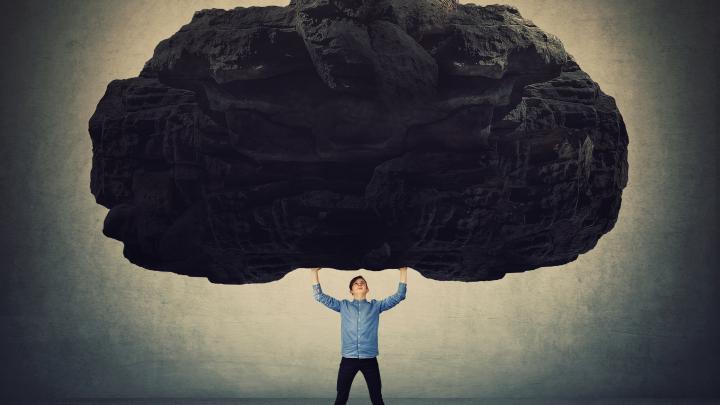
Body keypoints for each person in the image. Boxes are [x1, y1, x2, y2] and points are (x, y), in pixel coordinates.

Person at [311, 266, 408, 405]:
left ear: (367, 289)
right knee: (341, 397)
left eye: (363, 282)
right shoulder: (343, 306)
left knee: (376, 397)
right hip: (348, 359)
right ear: (351, 291)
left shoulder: (376, 306)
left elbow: (400, 295)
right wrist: (314, 272)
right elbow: (319, 296)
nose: (359, 284)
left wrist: (403, 271)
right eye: (356, 283)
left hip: (370, 359)